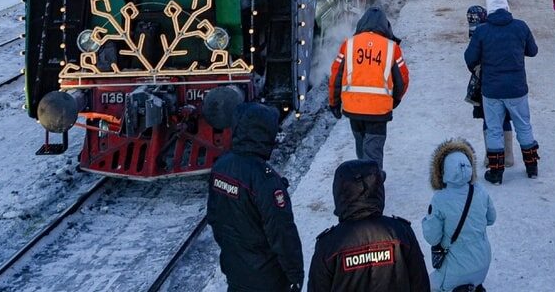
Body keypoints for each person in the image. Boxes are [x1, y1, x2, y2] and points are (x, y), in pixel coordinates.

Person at [207, 103, 304, 292]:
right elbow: (282, 234)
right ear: (263, 133)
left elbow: (214, 218)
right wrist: (295, 276)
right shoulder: (265, 180)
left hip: (235, 269)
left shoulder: (220, 167)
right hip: (266, 278)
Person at [308, 160, 430, 291]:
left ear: (339, 193)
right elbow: (420, 284)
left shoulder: (328, 244)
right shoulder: (400, 232)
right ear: (378, 190)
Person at [464, 0, 540, 184]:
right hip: (517, 88)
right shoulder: (520, 27)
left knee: (494, 129)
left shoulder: (482, 31)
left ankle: (496, 172)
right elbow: (533, 51)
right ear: (506, 6)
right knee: (523, 125)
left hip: (492, 90)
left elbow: (470, 58)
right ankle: (532, 167)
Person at [329, 7, 410, 169]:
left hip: (353, 109)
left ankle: (364, 183)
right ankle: (372, 187)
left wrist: (334, 103)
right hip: (378, 111)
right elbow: (403, 80)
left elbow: (335, 76)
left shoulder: (348, 45)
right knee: (373, 154)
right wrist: (394, 100)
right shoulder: (391, 47)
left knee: (362, 149)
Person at [422, 139, 496, 292]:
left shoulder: (440, 199)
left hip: (455, 272)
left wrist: (426, 221)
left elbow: (432, 237)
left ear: (442, 171)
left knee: (425, 285)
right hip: (483, 264)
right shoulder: (480, 191)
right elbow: (491, 219)